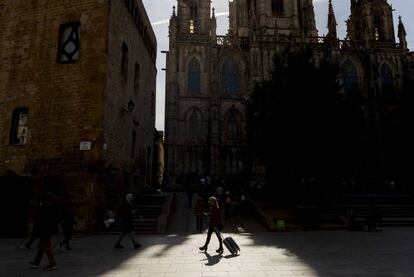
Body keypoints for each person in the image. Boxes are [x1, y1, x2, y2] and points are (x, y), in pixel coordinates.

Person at [29, 192, 61, 271]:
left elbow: (47, 219)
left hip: (47, 230)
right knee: (42, 246)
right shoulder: (46, 206)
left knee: (46, 247)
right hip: (44, 229)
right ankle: (36, 262)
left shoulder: (51, 207)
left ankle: (52, 264)